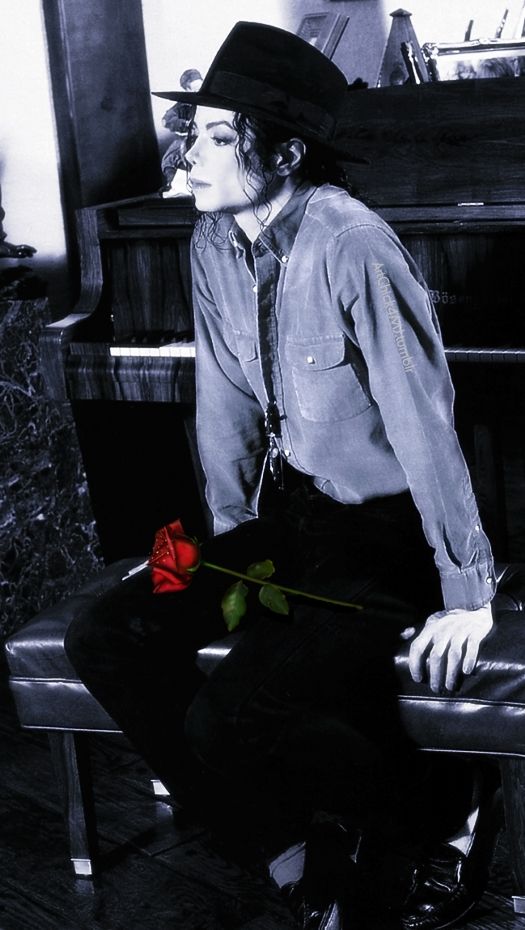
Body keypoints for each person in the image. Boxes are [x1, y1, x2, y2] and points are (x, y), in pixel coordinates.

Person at [65, 23, 497, 930]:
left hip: (380, 540)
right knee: (108, 633)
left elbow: (427, 426)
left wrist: (467, 590)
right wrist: (225, 549)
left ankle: (447, 808)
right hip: (280, 519)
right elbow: (220, 401)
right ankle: (289, 845)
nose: (190, 153)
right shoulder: (212, 240)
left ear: (286, 151)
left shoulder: (353, 246)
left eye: (217, 135)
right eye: (193, 131)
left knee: (230, 715)